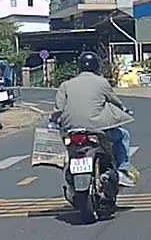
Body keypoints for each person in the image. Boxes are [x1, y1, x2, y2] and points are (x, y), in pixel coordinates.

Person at [54, 52, 139, 187]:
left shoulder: (66, 85)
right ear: (97, 66)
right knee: (123, 135)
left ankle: (71, 177)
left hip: (71, 130)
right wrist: (123, 109)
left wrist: (53, 121)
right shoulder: (102, 82)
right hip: (97, 130)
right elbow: (114, 100)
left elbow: (58, 109)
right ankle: (123, 169)